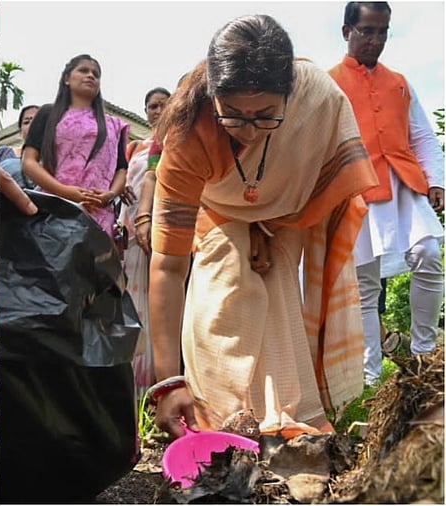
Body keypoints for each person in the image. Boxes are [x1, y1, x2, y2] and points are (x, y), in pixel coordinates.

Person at [147, 14, 378, 440]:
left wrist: (270, 223)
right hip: (216, 211)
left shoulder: (318, 101)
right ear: (212, 96)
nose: (249, 130)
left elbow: (319, 177)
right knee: (226, 277)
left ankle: (289, 421)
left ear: (290, 97)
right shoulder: (186, 132)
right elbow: (167, 265)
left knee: (278, 291)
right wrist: (168, 382)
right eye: (232, 115)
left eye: (266, 115)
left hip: (290, 211)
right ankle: (219, 420)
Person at [328, 1, 444, 385]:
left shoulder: (400, 82)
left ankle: (425, 354)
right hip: (357, 189)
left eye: (382, 32)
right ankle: (370, 377)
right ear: (347, 32)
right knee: (364, 285)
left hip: (404, 182)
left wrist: (436, 180)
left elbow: (423, 134)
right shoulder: (328, 83)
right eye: (367, 31)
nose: (375, 40)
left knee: (428, 254)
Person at [22, 54, 132, 237]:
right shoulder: (48, 114)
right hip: (53, 209)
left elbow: (121, 169)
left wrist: (110, 195)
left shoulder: (114, 126)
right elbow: (29, 162)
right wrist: (65, 191)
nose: (90, 76)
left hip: (99, 217)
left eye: (96, 74)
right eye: (83, 70)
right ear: (67, 78)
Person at [120, 86, 171, 403]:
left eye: (163, 105)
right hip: (130, 234)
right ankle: (130, 385)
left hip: (162, 231)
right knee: (131, 304)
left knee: (158, 306)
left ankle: (156, 383)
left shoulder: (174, 144)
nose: (157, 110)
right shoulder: (136, 147)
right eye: (152, 106)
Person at [0, 104, 39, 189]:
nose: (31, 126)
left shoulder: (53, 162)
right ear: (20, 131)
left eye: (37, 121)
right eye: (26, 122)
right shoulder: (3, 153)